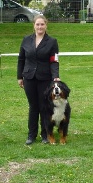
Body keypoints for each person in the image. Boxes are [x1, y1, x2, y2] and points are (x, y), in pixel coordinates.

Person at [17, 14, 60, 145]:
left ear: (46, 25)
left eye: (42, 24)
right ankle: (31, 135)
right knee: (33, 106)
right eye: (37, 24)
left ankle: (45, 134)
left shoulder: (52, 42)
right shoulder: (26, 40)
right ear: (34, 25)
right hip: (29, 77)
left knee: (44, 107)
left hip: (45, 78)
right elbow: (21, 59)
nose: (40, 27)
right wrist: (19, 76)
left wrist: (55, 76)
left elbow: (54, 61)